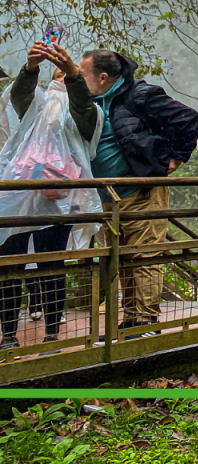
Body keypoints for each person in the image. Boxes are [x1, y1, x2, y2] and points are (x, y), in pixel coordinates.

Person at [30, 44, 198, 335]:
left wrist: (174, 158)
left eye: (82, 75)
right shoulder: (94, 103)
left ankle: (145, 321)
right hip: (109, 196)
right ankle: (131, 320)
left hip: (141, 190)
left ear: (104, 77)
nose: (79, 80)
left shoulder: (139, 95)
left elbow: (187, 118)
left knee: (144, 256)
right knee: (123, 258)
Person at [0, 60, 103, 350]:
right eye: (57, 72)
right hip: (17, 198)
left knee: (51, 267)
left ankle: (52, 333)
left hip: (57, 201)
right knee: (10, 267)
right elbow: (19, 95)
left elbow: (82, 105)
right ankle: (8, 334)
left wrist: (72, 77)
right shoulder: (34, 104)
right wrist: (31, 67)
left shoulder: (88, 112)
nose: (62, 76)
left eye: (70, 74)